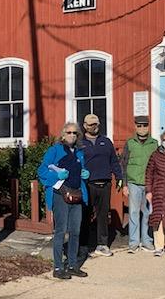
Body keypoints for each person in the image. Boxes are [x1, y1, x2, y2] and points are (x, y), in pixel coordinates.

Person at [38, 122, 90, 280]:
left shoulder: (79, 153)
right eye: (69, 132)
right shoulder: (54, 151)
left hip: (77, 195)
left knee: (75, 231)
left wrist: (84, 175)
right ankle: (58, 267)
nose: (72, 135)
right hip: (60, 195)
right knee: (61, 231)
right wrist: (55, 176)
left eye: (75, 133)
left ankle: (73, 265)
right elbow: (41, 171)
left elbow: (80, 172)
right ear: (62, 135)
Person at [82, 114, 123, 257]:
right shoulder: (80, 143)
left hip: (105, 183)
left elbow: (114, 161)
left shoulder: (106, 142)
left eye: (96, 124)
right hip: (87, 184)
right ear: (85, 125)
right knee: (85, 215)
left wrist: (119, 177)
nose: (94, 127)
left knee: (103, 216)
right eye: (91, 124)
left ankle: (102, 244)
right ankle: (84, 246)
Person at [121, 116, 158, 253]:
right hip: (133, 182)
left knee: (147, 212)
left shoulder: (154, 144)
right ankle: (134, 242)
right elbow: (123, 164)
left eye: (145, 126)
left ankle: (147, 240)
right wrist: (124, 184)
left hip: (149, 184)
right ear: (135, 127)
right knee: (133, 212)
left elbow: (157, 164)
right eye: (139, 126)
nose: (142, 128)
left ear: (148, 127)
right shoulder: (130, 143)